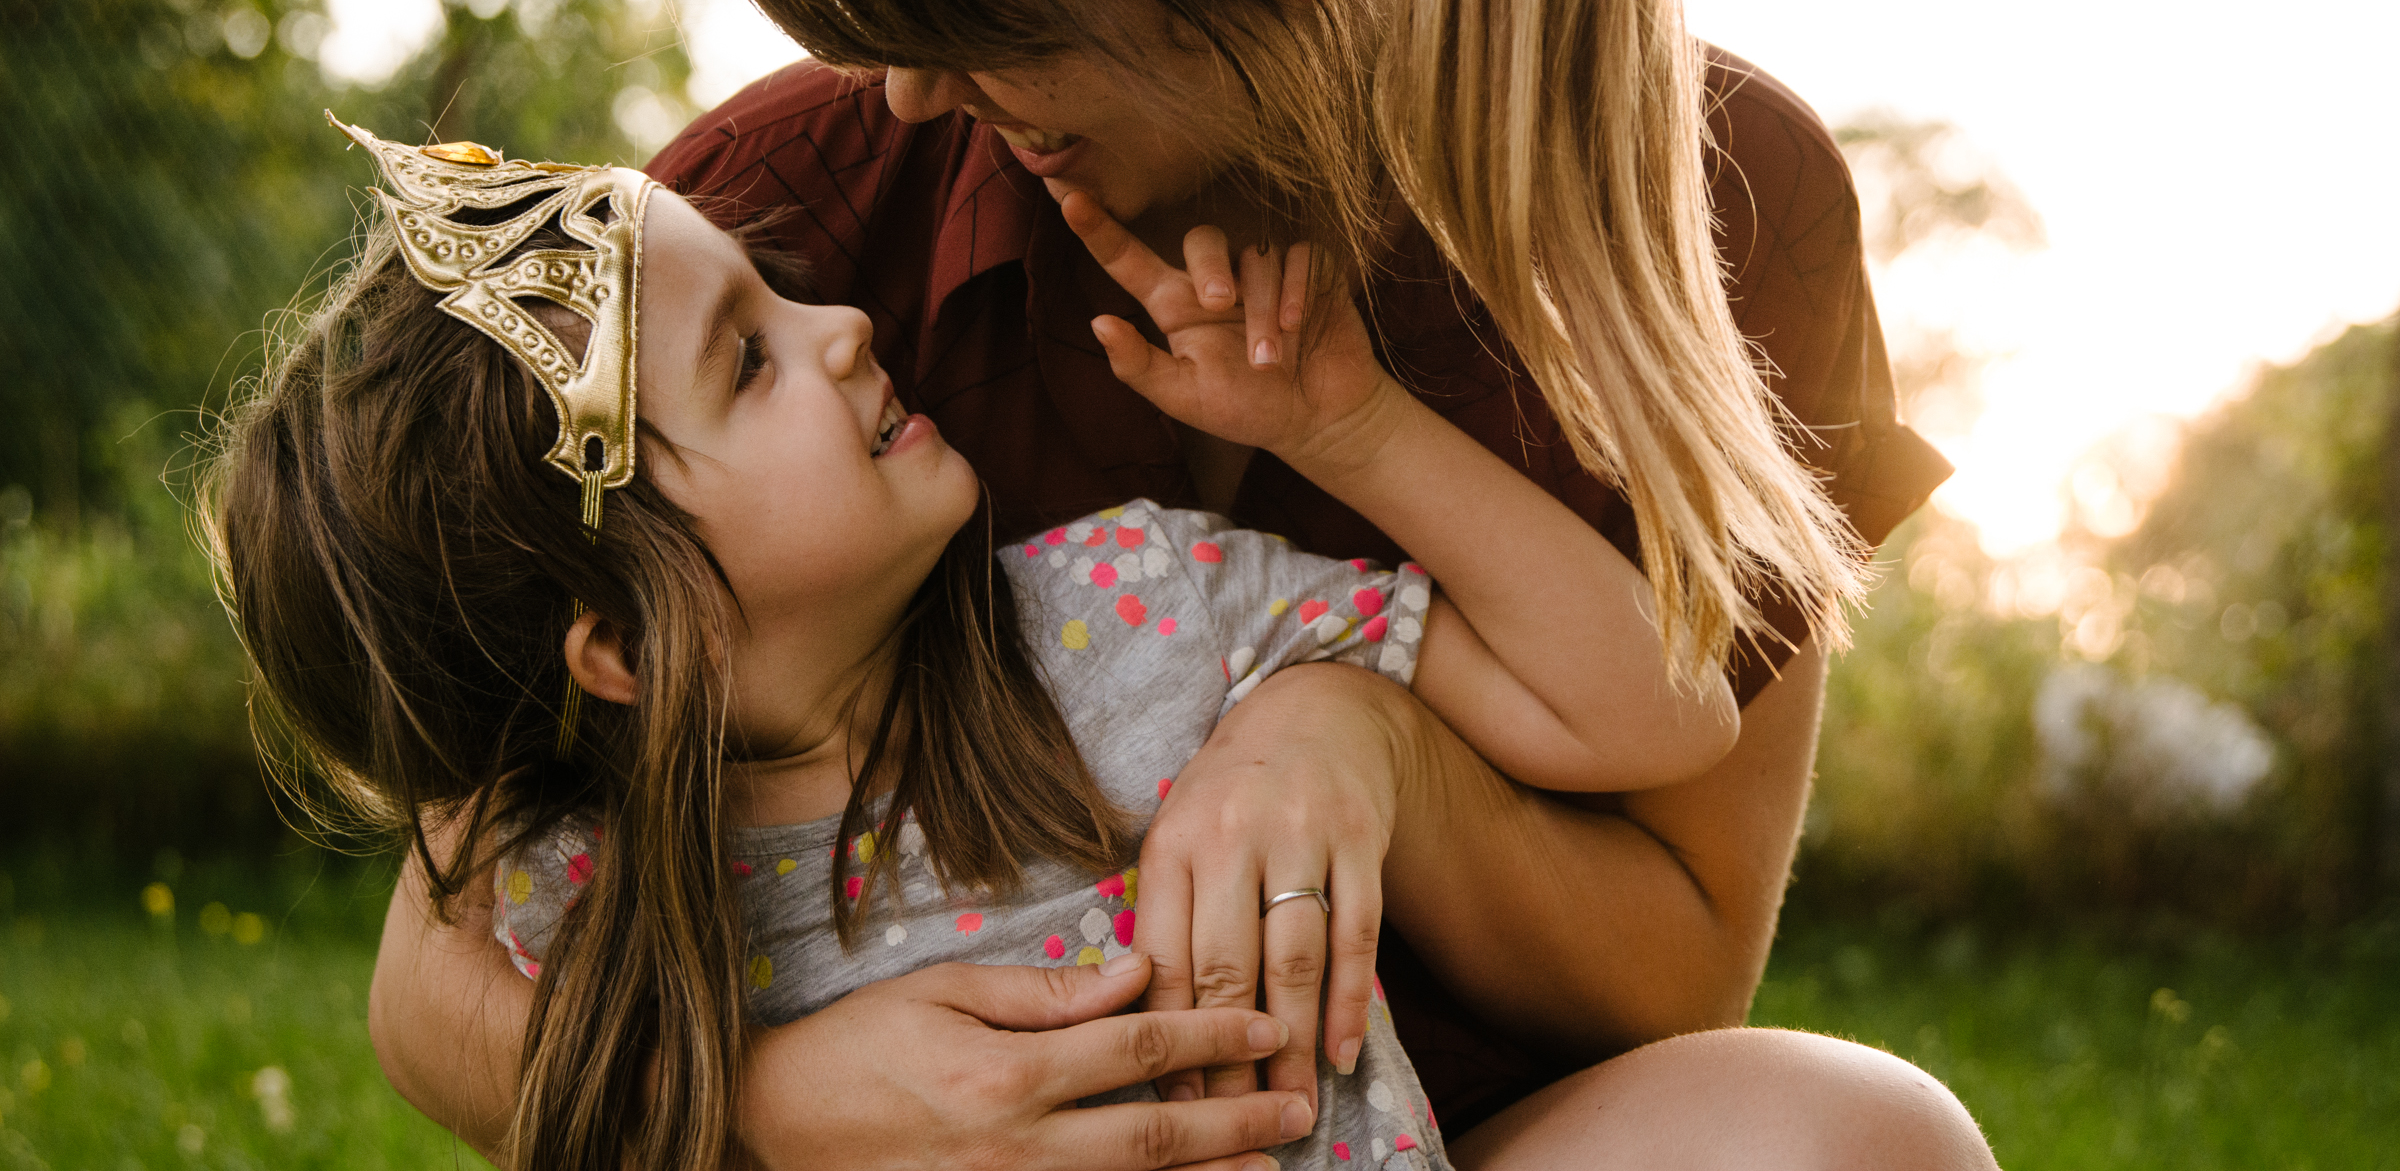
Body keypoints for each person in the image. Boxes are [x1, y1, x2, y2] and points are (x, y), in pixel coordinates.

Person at [369, 0, 1986, 1167]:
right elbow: (435, 982)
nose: (915, 92)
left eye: (990, 13)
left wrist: (1360, 741)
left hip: (1399, 1132)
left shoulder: (1717, 201)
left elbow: (1681, 955)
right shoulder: (775, 207)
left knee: (1857, 1142)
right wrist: (790, 1104)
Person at [215, 118, 1750, 1169]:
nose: (843, 328)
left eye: (783, 295)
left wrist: (1353, 430)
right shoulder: (577, 901)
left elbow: (1658, 715)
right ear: (614, 641)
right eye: (751, 359)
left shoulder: (1142, 604)